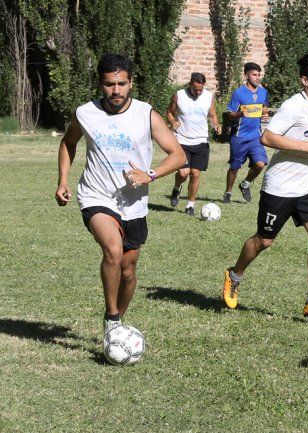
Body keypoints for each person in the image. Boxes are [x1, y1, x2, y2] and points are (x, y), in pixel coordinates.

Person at [54, 53, 185, 340]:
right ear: (100, 84)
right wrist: (63, 180)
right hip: (96, 195)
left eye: (122, 84)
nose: (116, 91)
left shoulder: (146, 114)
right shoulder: (85, 113)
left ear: (131, 83)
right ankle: (113, 319)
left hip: (133, 203)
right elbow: (68, 143)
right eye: (109, 84)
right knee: (112, 251)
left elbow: (178, 156)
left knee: (128, 271)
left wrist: (149, 175)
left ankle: (116, 321)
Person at [222, 52, 308, 317]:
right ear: (304, 80)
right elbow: (268, 137)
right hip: (280, 186)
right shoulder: (292, 106)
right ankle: (235, 275)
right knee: (264, 241)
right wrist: (305, 146)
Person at [166, 72, 222, 216]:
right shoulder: (179, 95)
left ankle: (190, 205)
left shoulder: (208, 96)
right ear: (190, 84)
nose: (198, 92)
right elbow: (169, 112)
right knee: (183, 173)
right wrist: (173, 122)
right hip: (182, 140)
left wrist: (216, 124)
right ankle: (177, 187)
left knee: (195, 174)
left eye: (200, 89)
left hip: (201, 141)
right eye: (195, 89)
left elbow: (213, 114)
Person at [224, 62, 270, 204]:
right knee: (234, 168)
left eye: (259, 75)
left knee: (260, 164)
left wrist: (265, 114)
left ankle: (245, 184)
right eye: (254, 75)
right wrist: (240, 114)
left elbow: (265, 107)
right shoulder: (239, 93)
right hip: (239, 136)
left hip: (256, 136)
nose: (257, 78)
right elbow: (229, 114)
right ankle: (228, 192)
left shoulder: (263, 92)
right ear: (246, 76)